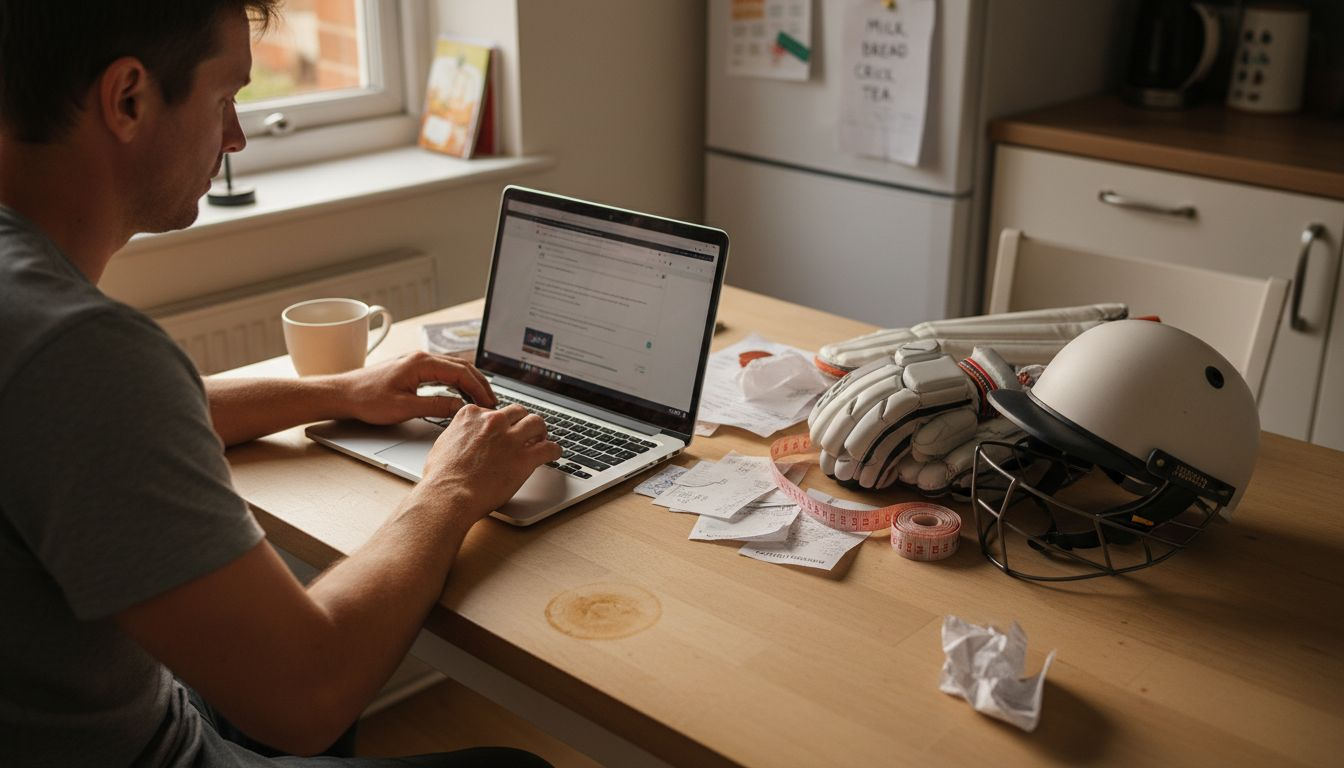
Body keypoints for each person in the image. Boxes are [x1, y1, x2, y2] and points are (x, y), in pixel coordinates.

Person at [0, 2, 561, 766]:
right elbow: (309, 695)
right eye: (225, 98)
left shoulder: (35, 325)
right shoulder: (79, 350)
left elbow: (99, 426)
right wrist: (452, 490)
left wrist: (339, 392)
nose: (233, 137)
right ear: (128, 97)